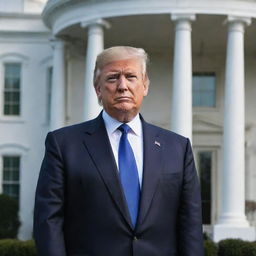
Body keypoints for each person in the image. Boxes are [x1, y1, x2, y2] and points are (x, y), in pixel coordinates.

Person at [34, 46, 204, 256]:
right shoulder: (64, 144)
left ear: (145, 86)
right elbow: (48, 220)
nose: (123, 86)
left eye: (131, 77)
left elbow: (190, 222)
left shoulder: (177, 147)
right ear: (98, 89)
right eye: (113, 78)